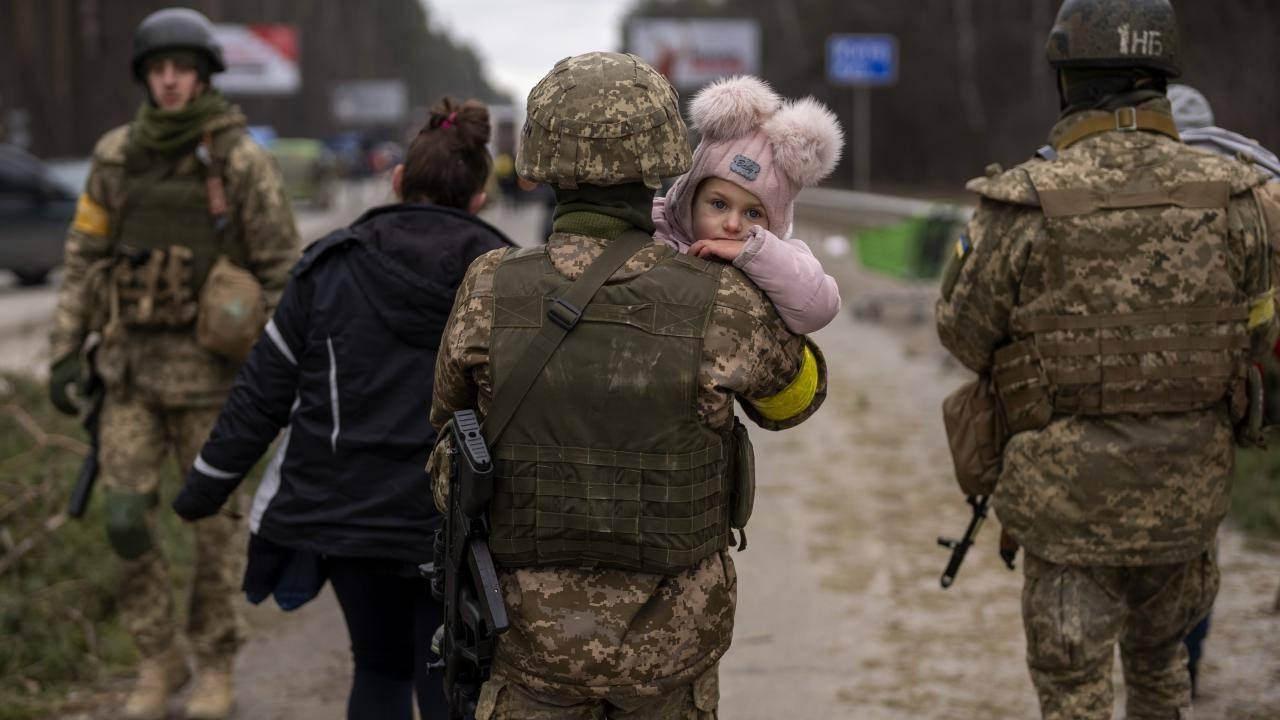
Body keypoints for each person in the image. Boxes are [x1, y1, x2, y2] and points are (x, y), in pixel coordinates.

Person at [428, 51, 826, 718]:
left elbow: (446, 420)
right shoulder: (720, 296)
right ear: (664, 158)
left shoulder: (489, 284)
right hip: (669, 654)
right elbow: (796, 401)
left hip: (526, 645)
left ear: (540, 161)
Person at [934, 1, 1280, 718]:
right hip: (1187, 504)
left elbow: (964, 336)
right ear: (1161, 78)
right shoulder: (1242, 197)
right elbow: (1256, 337)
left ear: (1067, 81)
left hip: (1066, 513)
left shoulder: (1024, 202)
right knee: (1161, 672)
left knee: (1072, 691)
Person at [170, 98, 513, 719]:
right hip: (462, 525)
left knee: (378, 671)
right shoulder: (510, 279)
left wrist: (204, 487)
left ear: (397, 181)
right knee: (452, 678)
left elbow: (262, 391)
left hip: (351, 524)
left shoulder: (329, 267)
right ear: (480, 196)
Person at [46, 8, 300, 720]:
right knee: (125, 519)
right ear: (145, 77)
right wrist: (66, 350)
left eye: (182, 68)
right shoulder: (116, 156)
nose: (169, 80)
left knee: (216, 530)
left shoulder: (239, 160)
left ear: (204, 74)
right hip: (128, 372)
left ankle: (214, 662)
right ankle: (158, 661)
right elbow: (83, 256)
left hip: (212, 383)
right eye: (159, 69)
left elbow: (283, 269)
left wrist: (272, 366)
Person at [1165, 82, 1280, 698]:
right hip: (1213, 406)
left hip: (1135, 401)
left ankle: (1159, 666)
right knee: (1196, 542)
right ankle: (1185, 664)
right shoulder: (1249, 193)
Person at [654, 75, 843, 335]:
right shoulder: (655, 227)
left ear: (775, 222)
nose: (733, 225)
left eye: (753, 213)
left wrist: (755, 253)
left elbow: (820, 307)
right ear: (689, 197)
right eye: (718, 204)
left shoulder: (782, 258)